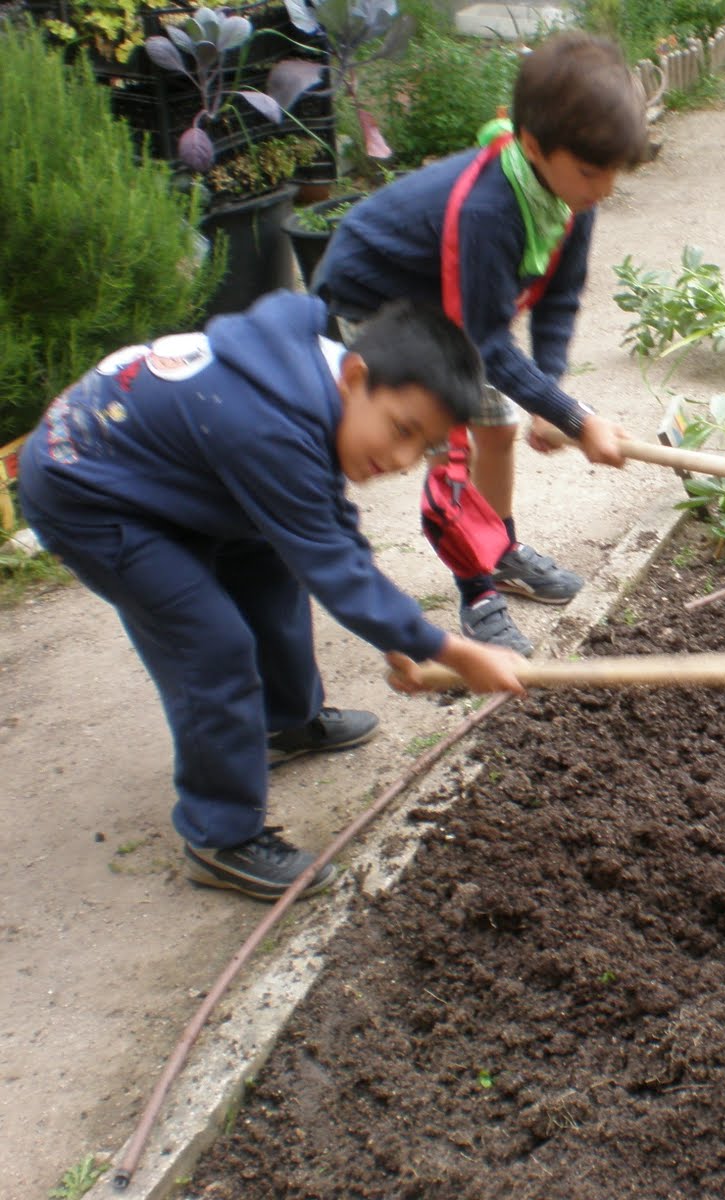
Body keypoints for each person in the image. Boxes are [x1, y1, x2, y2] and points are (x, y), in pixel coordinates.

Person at [18, 292, 528, 902]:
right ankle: (220, 838)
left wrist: (399, 638)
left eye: (420, 449)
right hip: (92, 496)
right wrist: (449, 648)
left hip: (178, 477)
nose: (398, 460)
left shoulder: (314, 387)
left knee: (271, 572)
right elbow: (336, 567)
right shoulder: (267, 422)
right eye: (400, 431)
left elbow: (328, 529)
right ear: (356, 376)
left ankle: (285, 722)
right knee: (210, 646)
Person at [313, 30, 651, 656]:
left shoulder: (572, 195)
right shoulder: (489, 209)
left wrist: (548, 403)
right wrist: (576, 419)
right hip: (379, 294)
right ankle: (476, 592)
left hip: (448, 300)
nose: (603, 187)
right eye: (589, 171)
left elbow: (559, 297)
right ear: (532, 146)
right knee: (446, 434)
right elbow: (485, 344)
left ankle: (498, 548)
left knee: (500, 425)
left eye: (612, 172)